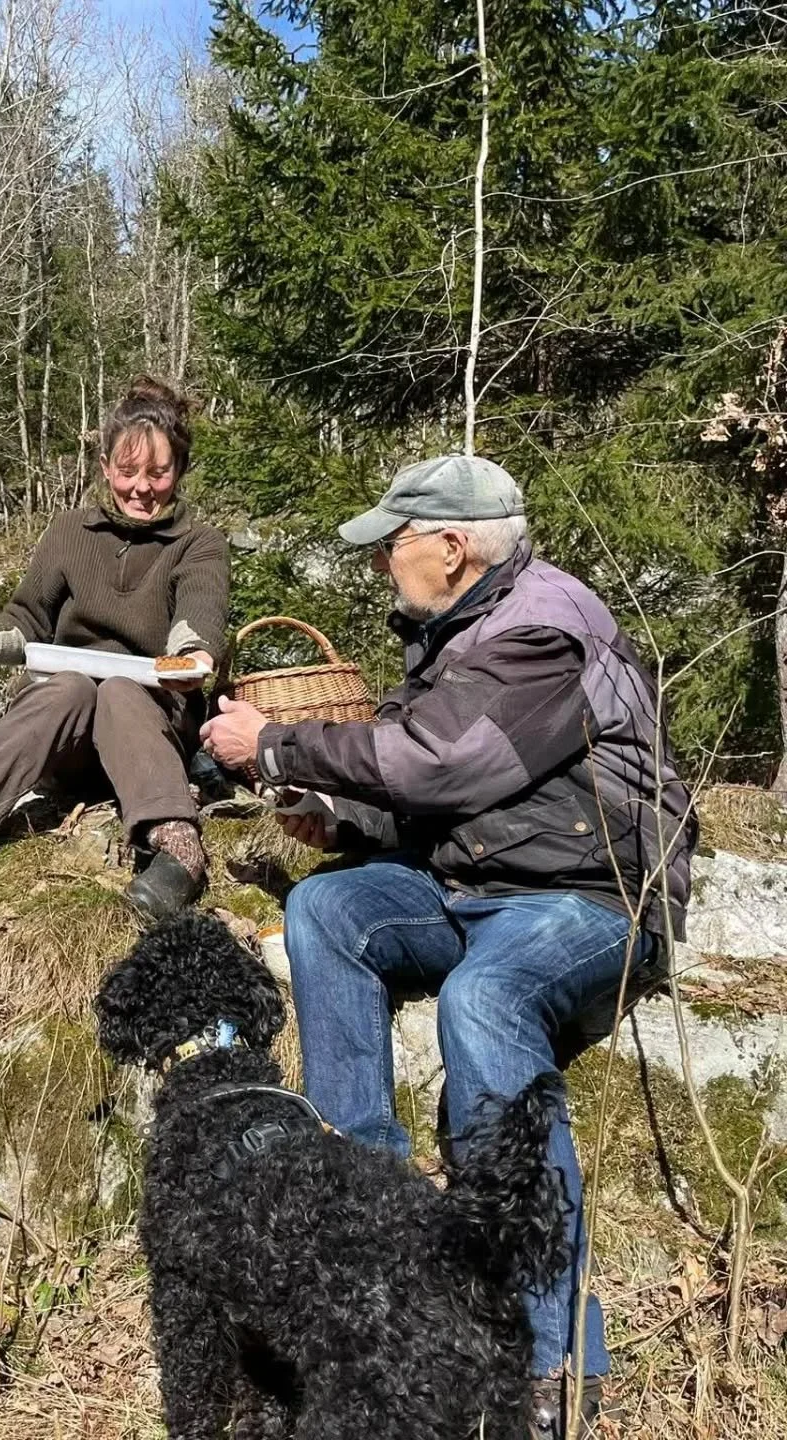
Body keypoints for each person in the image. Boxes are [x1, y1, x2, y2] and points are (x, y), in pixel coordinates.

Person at [200, 455, 695, 1439]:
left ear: (454, 546)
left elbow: (444, 764)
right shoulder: (460, 632)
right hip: (479, 886)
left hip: (595, 895)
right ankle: (377, 1222)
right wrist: (334, 819)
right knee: (328, 912)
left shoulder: (543, 628)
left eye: (396, 541)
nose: (385, 560)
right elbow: (448, 795)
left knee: (486, 998)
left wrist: (275, 748)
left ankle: (558, 1358)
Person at [0, 377, 230, 920]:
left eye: (158, 473)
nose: (142, 487)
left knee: (119, 689)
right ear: (106, 468)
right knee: (68, 686)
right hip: (63, 739)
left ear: (178, 471)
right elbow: (27, 619)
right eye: (128, 471)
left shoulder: (199, 543)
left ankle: (176, 847)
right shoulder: (69, 531)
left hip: (147, 735)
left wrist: (193, 659)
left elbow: (197, 619)